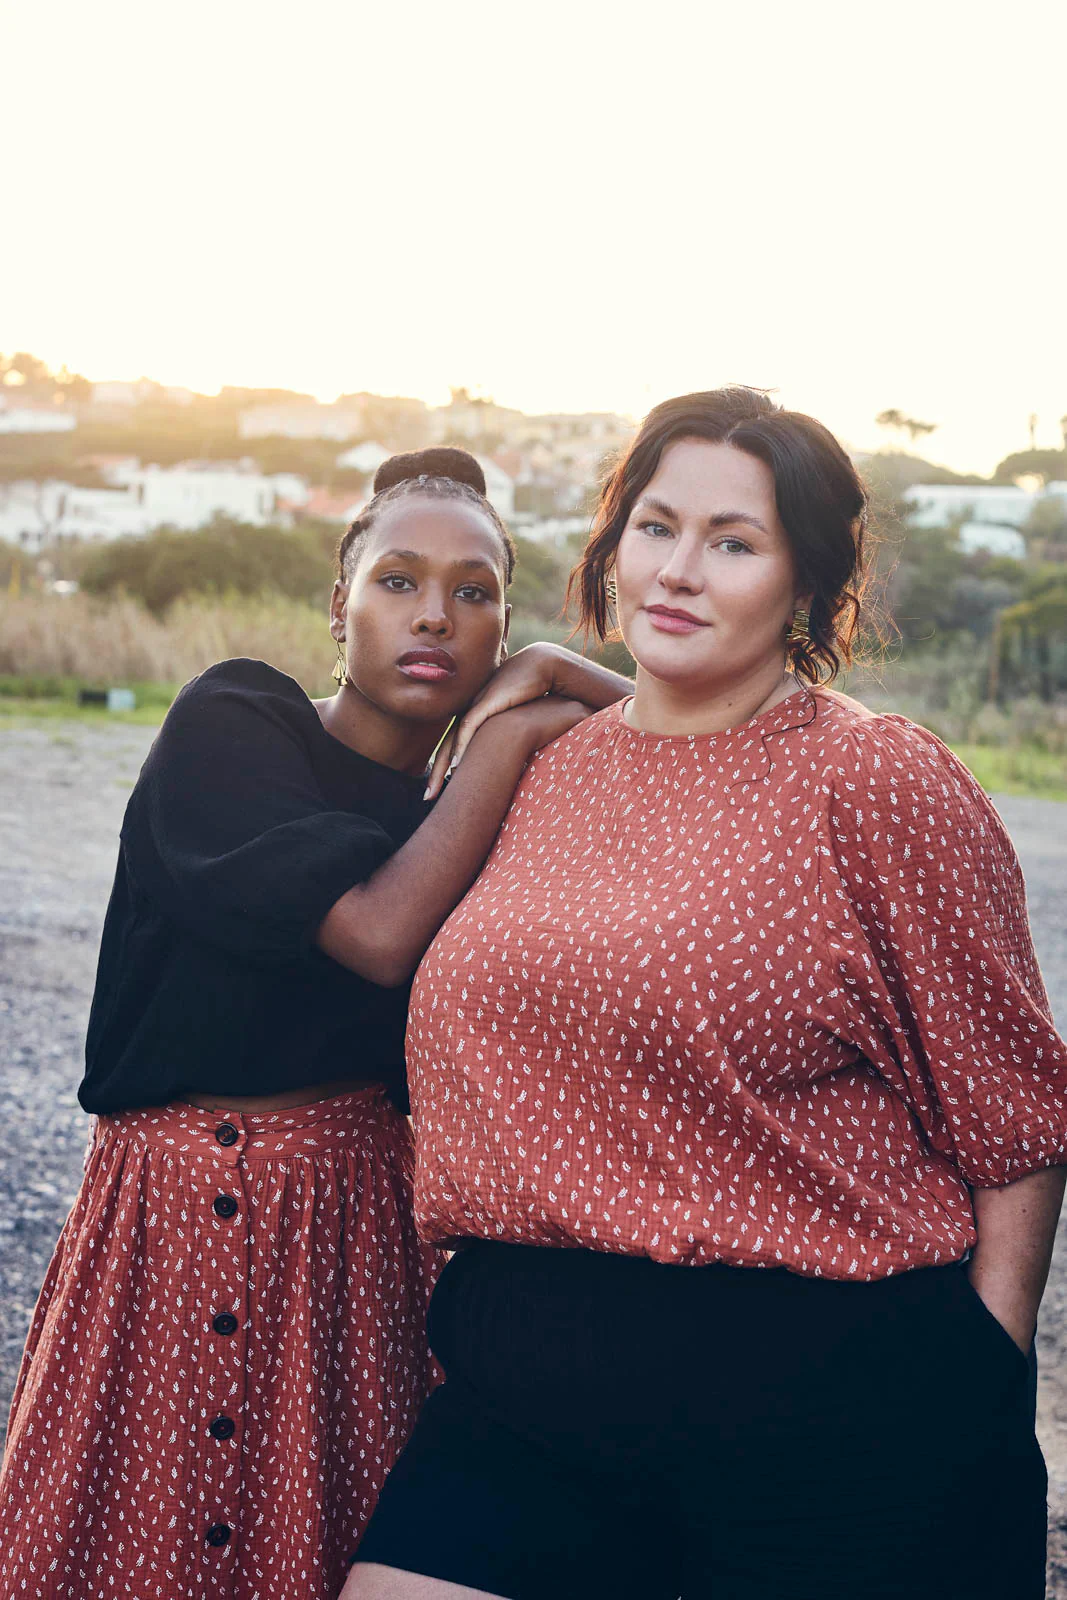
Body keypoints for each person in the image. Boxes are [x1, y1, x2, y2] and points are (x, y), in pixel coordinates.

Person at [345, 392, 1067, 1600]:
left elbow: (1014, 1123)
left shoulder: (876, 780)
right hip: (528, 1395)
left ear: (806, 583)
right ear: (609, 543)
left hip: (830, 1417)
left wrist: (977, 1387)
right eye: (653, 526)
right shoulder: (538, 764)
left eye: (733, 542)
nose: (677, 572)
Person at [0, 447, 631, 1600]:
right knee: (124, 1551)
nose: (433, 613)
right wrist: (510, 727)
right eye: (397, 579)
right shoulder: (235, 721)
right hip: (175, 1220)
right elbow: (375, 930)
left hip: (363, 1230)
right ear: (336, 604)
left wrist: (555, 671)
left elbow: (679, 749)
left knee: (333, 1541)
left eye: (475, 592)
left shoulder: (484, 806)